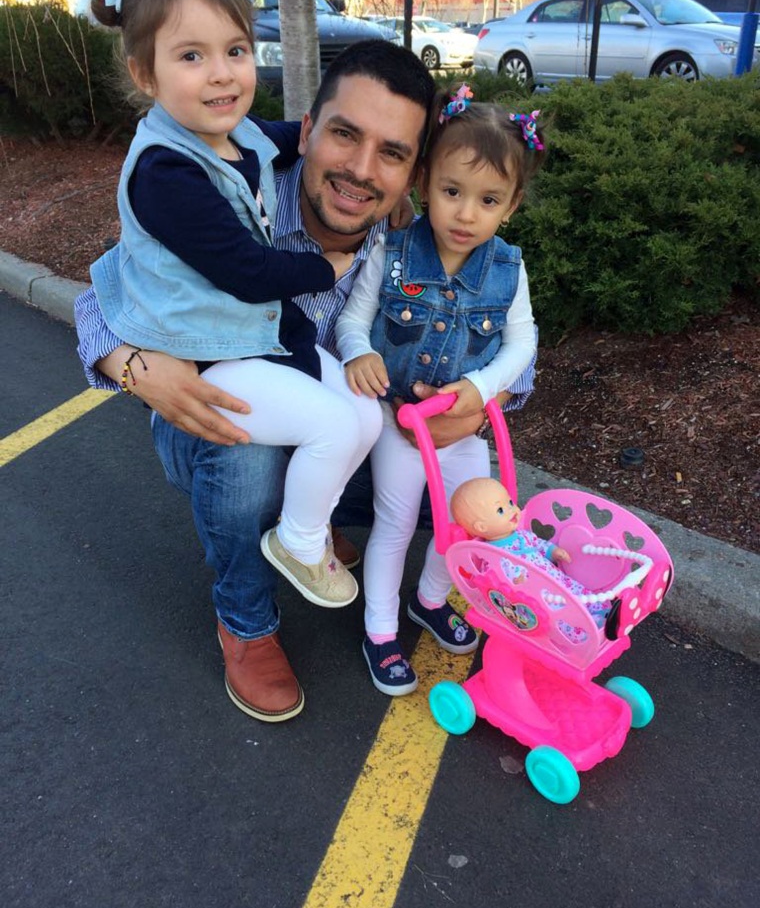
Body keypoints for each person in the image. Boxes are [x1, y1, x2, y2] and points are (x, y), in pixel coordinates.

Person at [75, 44, 536, 723]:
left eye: (391, 152)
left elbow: (507, 334)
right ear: (310, 124)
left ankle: (315, 528)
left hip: (341, 422)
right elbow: (107, 283)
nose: (360, 170)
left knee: (438, 483)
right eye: (345, 134)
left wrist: (483, 400)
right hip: (225, 418)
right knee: (246, 453)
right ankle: (246, 619)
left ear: (416, 171)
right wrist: (134, 367)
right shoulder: (238, 188)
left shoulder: (413, 235)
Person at [88, 0, 383, 622]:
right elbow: (247, 270)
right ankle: (284, 561)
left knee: (364, 415)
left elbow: (274, 140)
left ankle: (309, 515)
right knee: (328, 426)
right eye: (192, 55)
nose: (222, 72)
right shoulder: (166, 172)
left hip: (258, 342)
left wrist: (322, 136)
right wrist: (327, 268)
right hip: (212, 355)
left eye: (237, 50)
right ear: (146, 74)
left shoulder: (231, 134)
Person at [334, 88, 543, 695]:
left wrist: (478, 392)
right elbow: (353, 317)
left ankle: (429, 599)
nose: (465, 214)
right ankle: (379, 629)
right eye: (452, 192)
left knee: (472, 522)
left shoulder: (507, 267)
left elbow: (521, 343)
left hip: (464, 426)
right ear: (425, 182)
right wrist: (360, 350)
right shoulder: (393, 251)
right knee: (396, 523)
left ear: (511, 205)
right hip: (402, 425)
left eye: (488, 201)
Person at [450, 476, 611, 633]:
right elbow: (495, 583)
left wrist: (552, 551)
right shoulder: (491, 557)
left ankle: (603, 609)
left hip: (555, 579)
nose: (512, 509)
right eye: (500, 510)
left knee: (577, 592)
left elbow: (537, 543)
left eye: (510, 502)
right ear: (481, 527)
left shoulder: (520, 535)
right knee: (561, 613)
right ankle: (587, 629)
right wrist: (515, 583)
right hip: (539, 595)